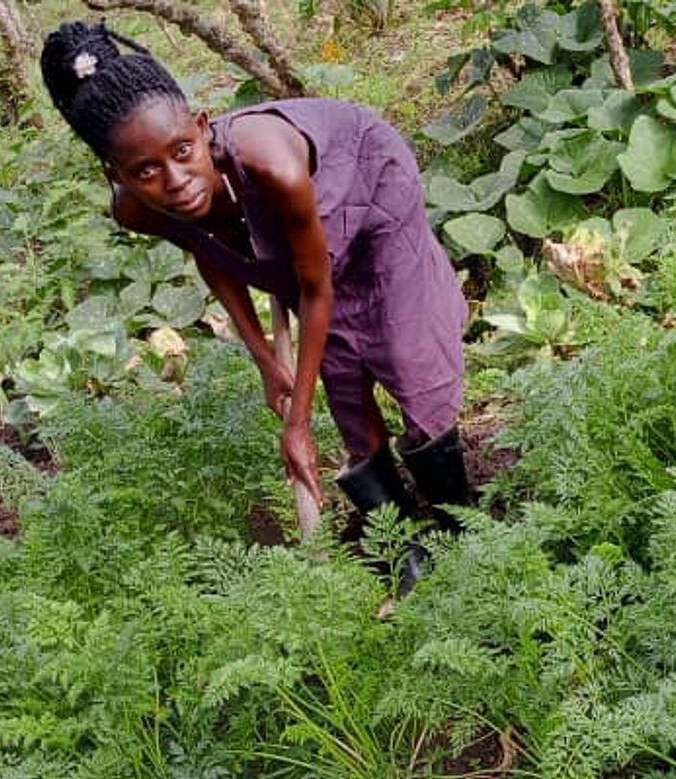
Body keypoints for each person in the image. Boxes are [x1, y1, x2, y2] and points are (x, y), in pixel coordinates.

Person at [39, 21, 470, 590]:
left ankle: (465, 525)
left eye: (182, 153)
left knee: (409, 352)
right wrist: (266, 358)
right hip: (289, 238)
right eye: (145, 172)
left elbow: (317, 291)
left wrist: (296, 424)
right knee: (343, 377)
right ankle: (402, 548)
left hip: (363, 183)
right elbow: (210, 252)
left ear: (201, 126)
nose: (175, 181)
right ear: (115, 175)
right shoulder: (136, 210)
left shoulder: (270, 161)